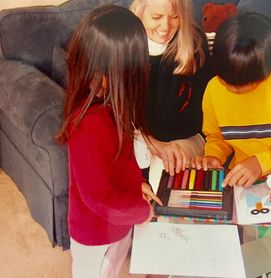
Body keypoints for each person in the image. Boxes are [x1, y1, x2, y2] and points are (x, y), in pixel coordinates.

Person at [56, 5, 161, 278]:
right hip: (97, 232)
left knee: (113, 267)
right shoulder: (88, 124)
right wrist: (140, 211)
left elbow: (118, 162)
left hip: (117, 223)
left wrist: (137, 185)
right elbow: (97, 196)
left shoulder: (113, 105)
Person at [191, 12, 271, 188]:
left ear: (269, 66)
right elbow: (216, 136)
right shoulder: (214, 89)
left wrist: (262, 163)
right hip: (245, 182)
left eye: (246, 81)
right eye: (226, 78)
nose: (233, 87)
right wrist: (214, 156)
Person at [130, 0, 213, 176]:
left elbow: (206, 108)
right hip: (140, 138)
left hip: (188, 136)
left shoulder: (194, 41)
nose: (165, 26)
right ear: (139, 12)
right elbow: (120, 114)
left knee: (163, 169)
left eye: (175, 17)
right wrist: (154, 144)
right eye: (156, 17)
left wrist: (167, 147)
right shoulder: (123, 44)